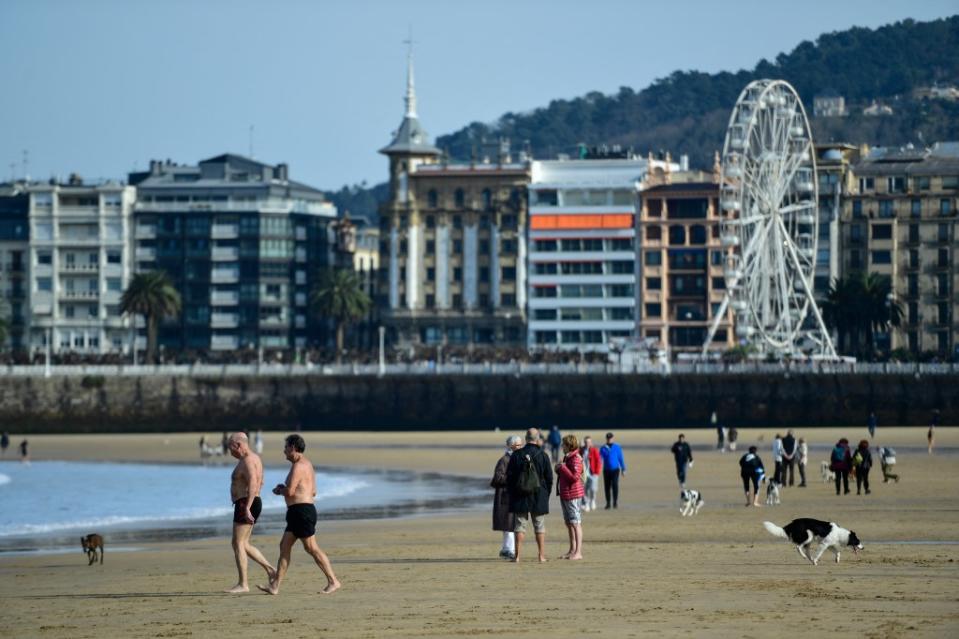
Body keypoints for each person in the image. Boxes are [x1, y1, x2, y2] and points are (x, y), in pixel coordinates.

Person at [258, 434, 341, 595]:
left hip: (302, 512)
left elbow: (289, 491)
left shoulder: (298, 466)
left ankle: (333, 581)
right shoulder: (307, 465)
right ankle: (275, 586)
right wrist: (288, 489)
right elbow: (313, 491)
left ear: (293, 448)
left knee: (311, 548)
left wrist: (280, 490)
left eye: (286, 447)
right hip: (298, 512)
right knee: (284, 546)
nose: (284, 451)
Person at [224, 432, 275, 593]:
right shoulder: (255, 458)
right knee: (243, 543)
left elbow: (254, 482)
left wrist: (247, 506)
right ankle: (270, 570)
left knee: (238, 543)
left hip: (247, 502)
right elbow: (262, 480)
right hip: (250, 501)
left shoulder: (247, 460)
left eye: (231, 448)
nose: (230, 452)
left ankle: (243, 584)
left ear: (238, 445)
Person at [506, 428, 553, 563]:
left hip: (520, 495)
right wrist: (546, 494)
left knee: (519, 526)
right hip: (539, 495)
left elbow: (509, 477)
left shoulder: (516, 455)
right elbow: (549, 478)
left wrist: (512, 493)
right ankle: (541, 555)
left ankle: (517, 556)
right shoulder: (543, 455)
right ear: (537, 439)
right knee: (539, 525)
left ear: (525, 439)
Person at [491, 435, 522, 559]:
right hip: (505, 497)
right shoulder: (504, 460)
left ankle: (506, 549)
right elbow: (497, 478)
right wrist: (512, 478)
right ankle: (509, 549)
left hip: (513, 496)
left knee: (511, 524)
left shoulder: (517, 458)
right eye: (519, 445)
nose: (521, 447)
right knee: (508, 524)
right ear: (512, 446)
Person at [555, 434, 584, 560]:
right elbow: (565, 474)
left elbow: (574, 477)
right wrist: (558, 468)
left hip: (574, 495)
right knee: (569, 523)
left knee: (576, 523)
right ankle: (572, 550)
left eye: (563, 445)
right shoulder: (568, 458)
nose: (562, 447)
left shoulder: (576, 458)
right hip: (565, 494)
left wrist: (562, 467)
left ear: (569, 445)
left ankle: (578, 552)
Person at [599, 432, 626, 509]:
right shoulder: (603, 448)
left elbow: (621, 458)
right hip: (606, 470)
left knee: (615, 485)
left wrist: (623, 469)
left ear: (613, 438)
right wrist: (598, 468)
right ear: (606, 439)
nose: (609, 439)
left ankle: (615, 502)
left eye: (610, 438)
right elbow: (600, 459)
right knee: (607, 487)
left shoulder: (617, 447)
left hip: (615, 470)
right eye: (608, 438)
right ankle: (608, 503)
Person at [581, 435, 602, 512]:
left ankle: (593, 500)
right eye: (586, 442)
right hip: (584, 473)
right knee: (585, 489)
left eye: (589, 442)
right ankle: (586, 503)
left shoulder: (594, 450)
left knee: (593, 489)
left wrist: (597, 472)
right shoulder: (582, 450)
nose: (587, 443)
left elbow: (598, 461)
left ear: (591, 442)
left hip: (593, 472)